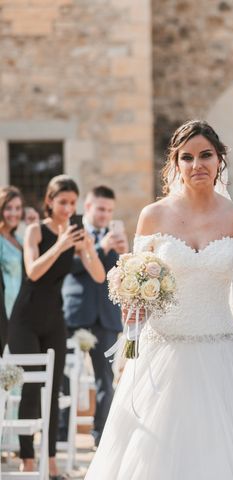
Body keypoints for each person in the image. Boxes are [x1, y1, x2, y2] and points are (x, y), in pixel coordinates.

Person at [85, 120, 233, 479]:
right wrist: (133, 311)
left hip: (222, 354)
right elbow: (137, 285)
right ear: (176, 163)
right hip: (161, 353)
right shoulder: (153, 216)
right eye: (187, 157)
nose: (197, 164)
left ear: (219, 161)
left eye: (205, 155)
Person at [8, 175, 105, 478]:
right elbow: (33, 271)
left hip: (54, 320)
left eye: (73, 203)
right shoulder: (35, 230)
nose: (68, 208)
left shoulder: (75, 237)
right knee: (32, 387)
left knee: (52, 390)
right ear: (49, 201)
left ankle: (50, 463)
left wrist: (87, 247)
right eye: (63, 202)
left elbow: (99, 276)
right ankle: (26, 458)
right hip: (24, 319)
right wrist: (61, 244)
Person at [60, 185, 128, 447]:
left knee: (105, 380)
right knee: (65, 378)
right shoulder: (75, 233)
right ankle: (62, 434)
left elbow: (119, 275)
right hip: (76, 314)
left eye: (109, 210)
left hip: (107, 318)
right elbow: (71, 266)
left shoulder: (114, 237)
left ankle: (101, 436)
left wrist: (122, 253)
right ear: (88, 208)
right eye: (100, 209)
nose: (104, 215)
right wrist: (100, 246)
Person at [0, 186, 24, 349]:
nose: (14, 213)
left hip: (18, 308)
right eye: (9, 208)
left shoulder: (19, 239)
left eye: (18, 208)